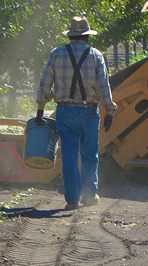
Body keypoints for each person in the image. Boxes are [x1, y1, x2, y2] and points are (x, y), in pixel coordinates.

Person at [36, 16, 116, 210]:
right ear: (87, 37)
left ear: (70, 36)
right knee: (89, 155)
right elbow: (104, 86)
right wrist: (110, 111)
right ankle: (89, 196)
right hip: (89, 112)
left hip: (64, 111)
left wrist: (40, 109)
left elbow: (45, 84)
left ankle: (72, 199)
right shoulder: (96, 55)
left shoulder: (56, 54)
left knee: (69, 156)